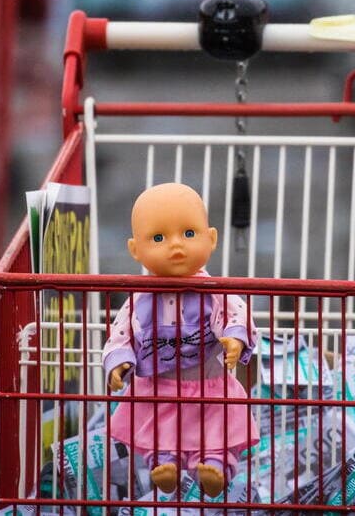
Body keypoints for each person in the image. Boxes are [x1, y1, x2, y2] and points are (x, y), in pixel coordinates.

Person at [102, 182, 258, 497]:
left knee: (216, 429)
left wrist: (233, 338)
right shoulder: (139, 299)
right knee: (159, 428)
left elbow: (236, 313)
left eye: (188, 234)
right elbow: (121, 332)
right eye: (158, 238)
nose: (176, 245)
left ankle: (216, 465)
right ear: (135, 249)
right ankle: (163, 463)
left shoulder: (214, 291)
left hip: (209, 383)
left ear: (211, 239)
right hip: (159, 386)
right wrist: (118, 363)